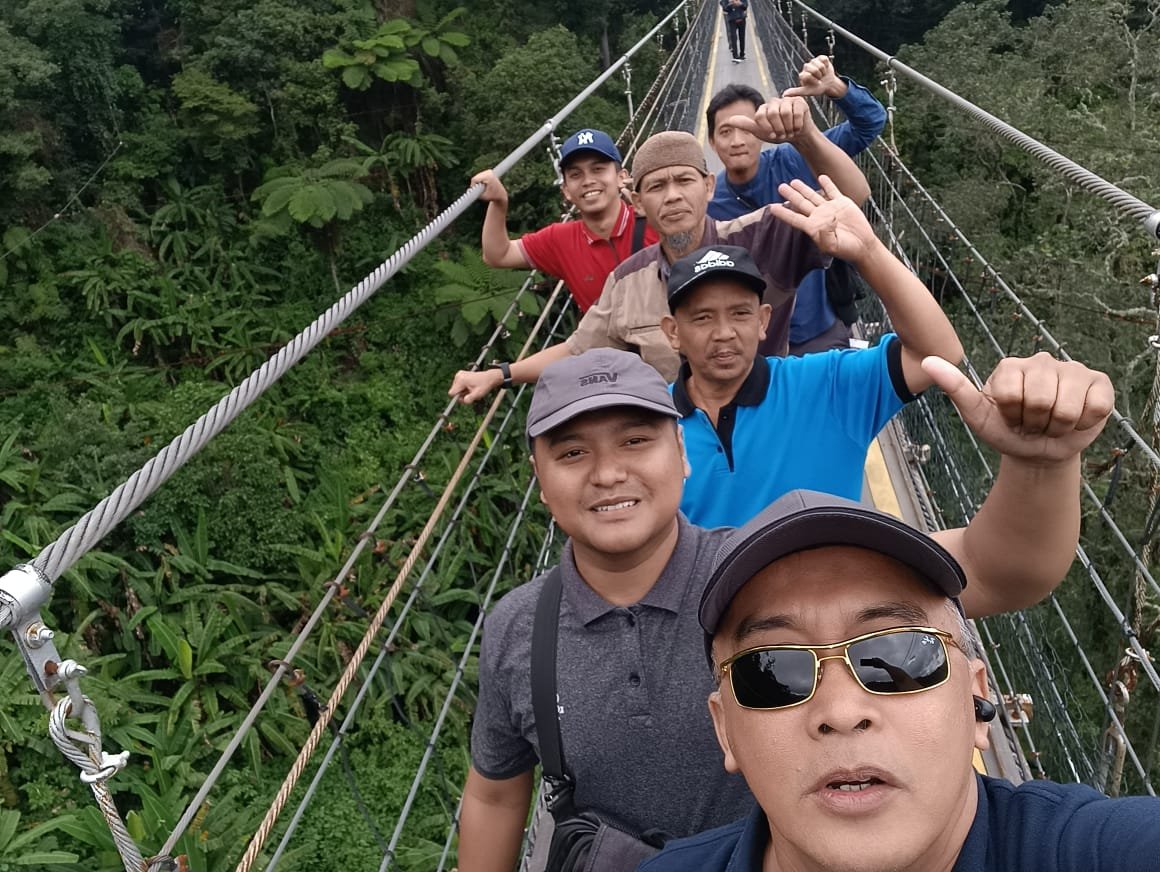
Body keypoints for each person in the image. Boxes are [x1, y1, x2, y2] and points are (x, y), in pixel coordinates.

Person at [455, 345, 1114, 871]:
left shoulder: (765, 580)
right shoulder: (519, 627)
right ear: (541, 482)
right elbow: (494, 791)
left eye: (635, 441)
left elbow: (1002, 569)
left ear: (682, 455)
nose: (607, 473)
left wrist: (1039, 466)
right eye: (572, 453)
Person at [638, 488, 1159, 872]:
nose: (841, 712)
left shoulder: (1098, 851)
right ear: (725, 730)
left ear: (976, 698)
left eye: (898, 655)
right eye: (772, 672)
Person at [448, 123, 869, 404]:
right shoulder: (626, 282)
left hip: (767, 419)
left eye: (684, 180)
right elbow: (577, 349)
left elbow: (850, 201)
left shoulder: (761, 235)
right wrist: (500, 374)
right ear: (638, 201)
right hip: (683, 445)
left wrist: (807, 136)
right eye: (657, 186)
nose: (672, 196)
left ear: (709, 187)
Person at [661, 173, 960, 528]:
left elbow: (937, 354)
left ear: (763, 320)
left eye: (740, 314)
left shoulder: (829, 388)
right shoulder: (651, 424)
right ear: (673, 332)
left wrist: (869, 252)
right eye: (703, 318)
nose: (724, 333)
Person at [707, 56, 887, 354]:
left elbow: (870, 124)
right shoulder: (709, 202)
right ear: (712, 143)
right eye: (725, 132)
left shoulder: (798, 157)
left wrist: (835, 87)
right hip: (753, 344)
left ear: (762, 132)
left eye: (747, 129)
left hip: (818, 331)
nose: (737, 141)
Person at [470, 128, 658, 312]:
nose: (588, 181)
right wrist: (499, 203)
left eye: (598, 169)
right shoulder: (560, 240)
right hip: (606, 333)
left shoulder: (656, 221)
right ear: (566, 191)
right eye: (576, 175)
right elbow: (498, 255)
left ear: (621, 177)